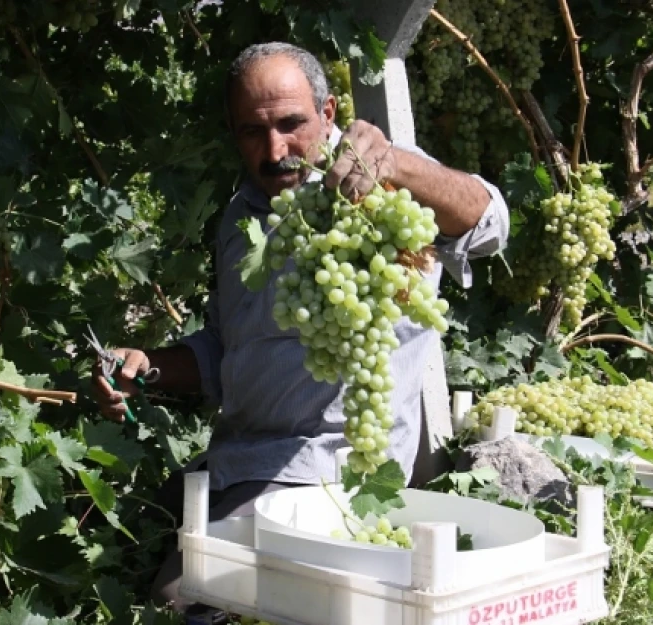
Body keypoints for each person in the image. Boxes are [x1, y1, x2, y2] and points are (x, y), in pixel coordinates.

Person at [90, 42, 510, 610]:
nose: (275, 150)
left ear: (329, 112)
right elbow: (227, 350)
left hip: (329, 473)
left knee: (176, 602)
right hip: (237, 461)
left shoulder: (381, 181)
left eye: (292, 125)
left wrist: (400, 165)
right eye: (252, 133)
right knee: (104, 539)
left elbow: (490, 223)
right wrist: (150, 366)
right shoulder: (243, 217)